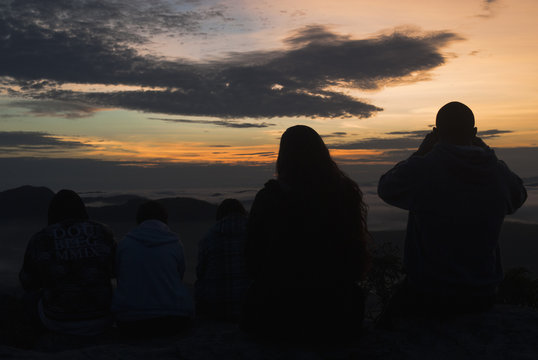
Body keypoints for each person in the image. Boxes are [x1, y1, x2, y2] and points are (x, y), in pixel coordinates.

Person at [377, 101, 527, 322]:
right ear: (474, 132)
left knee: (384, 326)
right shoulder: (497, 172)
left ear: (436, 133)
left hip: (429, 292)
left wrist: (420, 153)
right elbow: (519, 195)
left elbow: (386, 188)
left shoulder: (424, 169)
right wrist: (487, 151)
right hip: (482, 293)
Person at [242, 125, 370, 343]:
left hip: (278, 316)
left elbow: (252, 261)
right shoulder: (345, 193)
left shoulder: (269, 197)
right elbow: (356, 260)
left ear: (283, 157)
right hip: (338, 315)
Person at [19, 189, 116, 336]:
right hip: (102, 319)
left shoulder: (41, 238)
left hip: (57, 321)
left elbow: (27, 282)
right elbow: (116, 270)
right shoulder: (102, 232)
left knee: (29, 299)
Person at [111, 201, 194, 337]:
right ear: (165, 219)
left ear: (139, 219)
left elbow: (120, 275)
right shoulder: (175, 243)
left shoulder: (125, 244)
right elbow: (179, 275)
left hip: (130, 322)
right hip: (173, 320)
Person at [195, 198, 250, 322]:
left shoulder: (208, 239)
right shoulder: (255, 235)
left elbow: (200, 273)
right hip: (248, 307)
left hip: (214, 309)